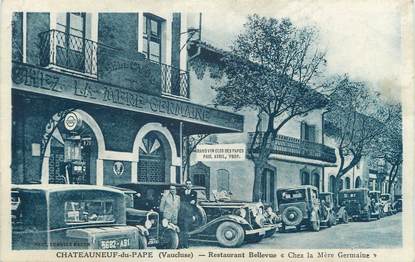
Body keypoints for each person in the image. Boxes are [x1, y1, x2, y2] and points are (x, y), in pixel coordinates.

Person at [178, 180, 197, 248]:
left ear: (191, 185)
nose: (188, 185)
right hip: (181, 213)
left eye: (189, 184)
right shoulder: (182, 192)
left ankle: (186, 244)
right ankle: (180, 244)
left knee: (186, 230)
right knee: (181, 229)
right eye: (187, 184)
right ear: (185, 185)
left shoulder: (194, 193)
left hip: (189, 214)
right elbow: (180, 202)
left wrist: (194, 215)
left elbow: (194, 205)